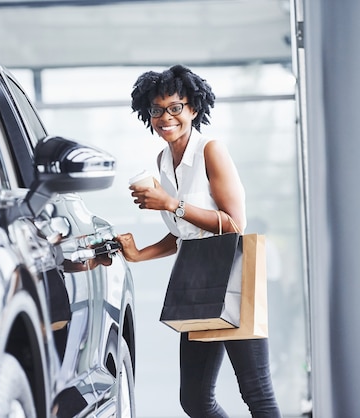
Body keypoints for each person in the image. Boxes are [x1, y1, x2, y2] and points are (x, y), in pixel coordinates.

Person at [115, 64, 281, 418]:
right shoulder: (162, 160)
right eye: (156, 110)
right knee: (194, 399)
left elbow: (234, 223)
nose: (165, 117)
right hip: (198, 280)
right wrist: (138, 254)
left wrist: (172, 203)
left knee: (257, 393)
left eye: (175, 107)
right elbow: (182, 234)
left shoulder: (210, 150)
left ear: (193, 108)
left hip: (232, 276)